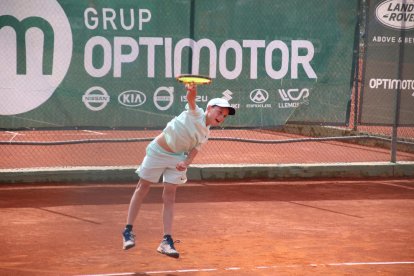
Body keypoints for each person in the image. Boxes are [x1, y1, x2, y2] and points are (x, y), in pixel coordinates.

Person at [122, 83, 236, 258]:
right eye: (219, 112)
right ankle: (128, 231)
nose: (221, 117)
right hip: (158, 152)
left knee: (170, 196)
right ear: (209, 109)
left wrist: (186, 162)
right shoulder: (196, 113)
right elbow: (191, 99)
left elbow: (195, 150)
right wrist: (192, 91)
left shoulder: (206, 133)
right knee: (142, 187)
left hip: (177, 158)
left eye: (225, 116)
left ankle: (166, 241)